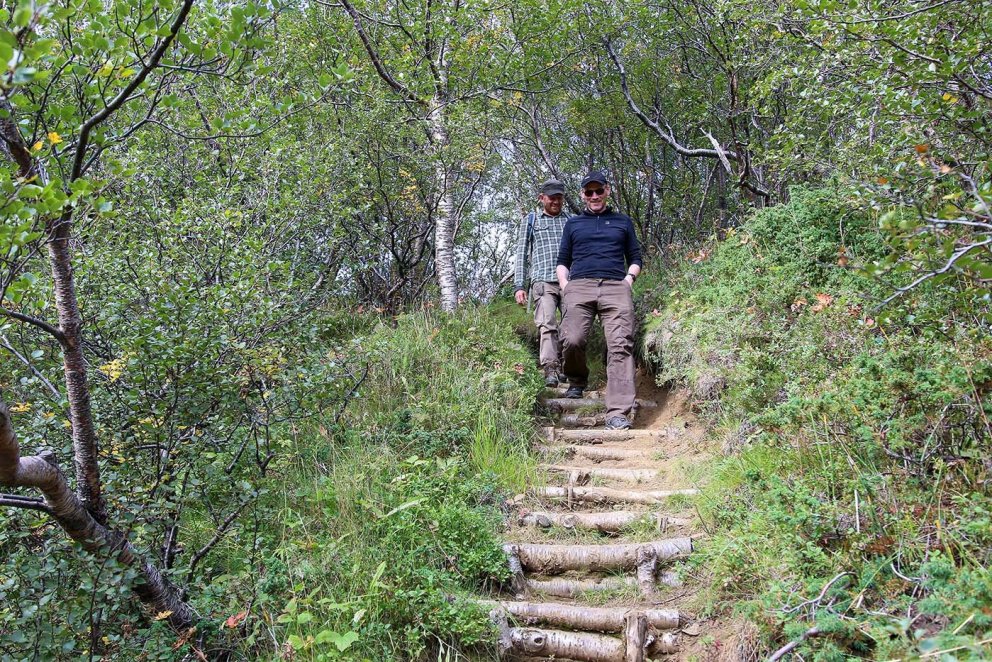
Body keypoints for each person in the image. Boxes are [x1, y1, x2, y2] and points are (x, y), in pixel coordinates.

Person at [556, 170, 642, 430]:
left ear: (607, 191)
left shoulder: (622, 222)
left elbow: (636, 257)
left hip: (616, 286)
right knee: (572, 339)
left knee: (620, 345)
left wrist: (628, 280)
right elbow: (563, 261)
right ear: (582, 195)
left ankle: (618, 412)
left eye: (599, 190)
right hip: (579, 286)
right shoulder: (572, 224)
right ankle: (577, 380)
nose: (594, 196)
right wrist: (565, 285)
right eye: (589, 192)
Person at [513, 179, 571, 387]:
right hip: (542, 281)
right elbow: (521, 255)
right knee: (547, 325)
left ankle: (567, 368)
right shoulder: (531, 220)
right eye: (552, 197)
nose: (556, 201)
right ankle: (550, 369)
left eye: (559, 197)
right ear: (542, 198)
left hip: (570, 282)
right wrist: (519, 285)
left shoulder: (572, 220)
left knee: (571, 326)